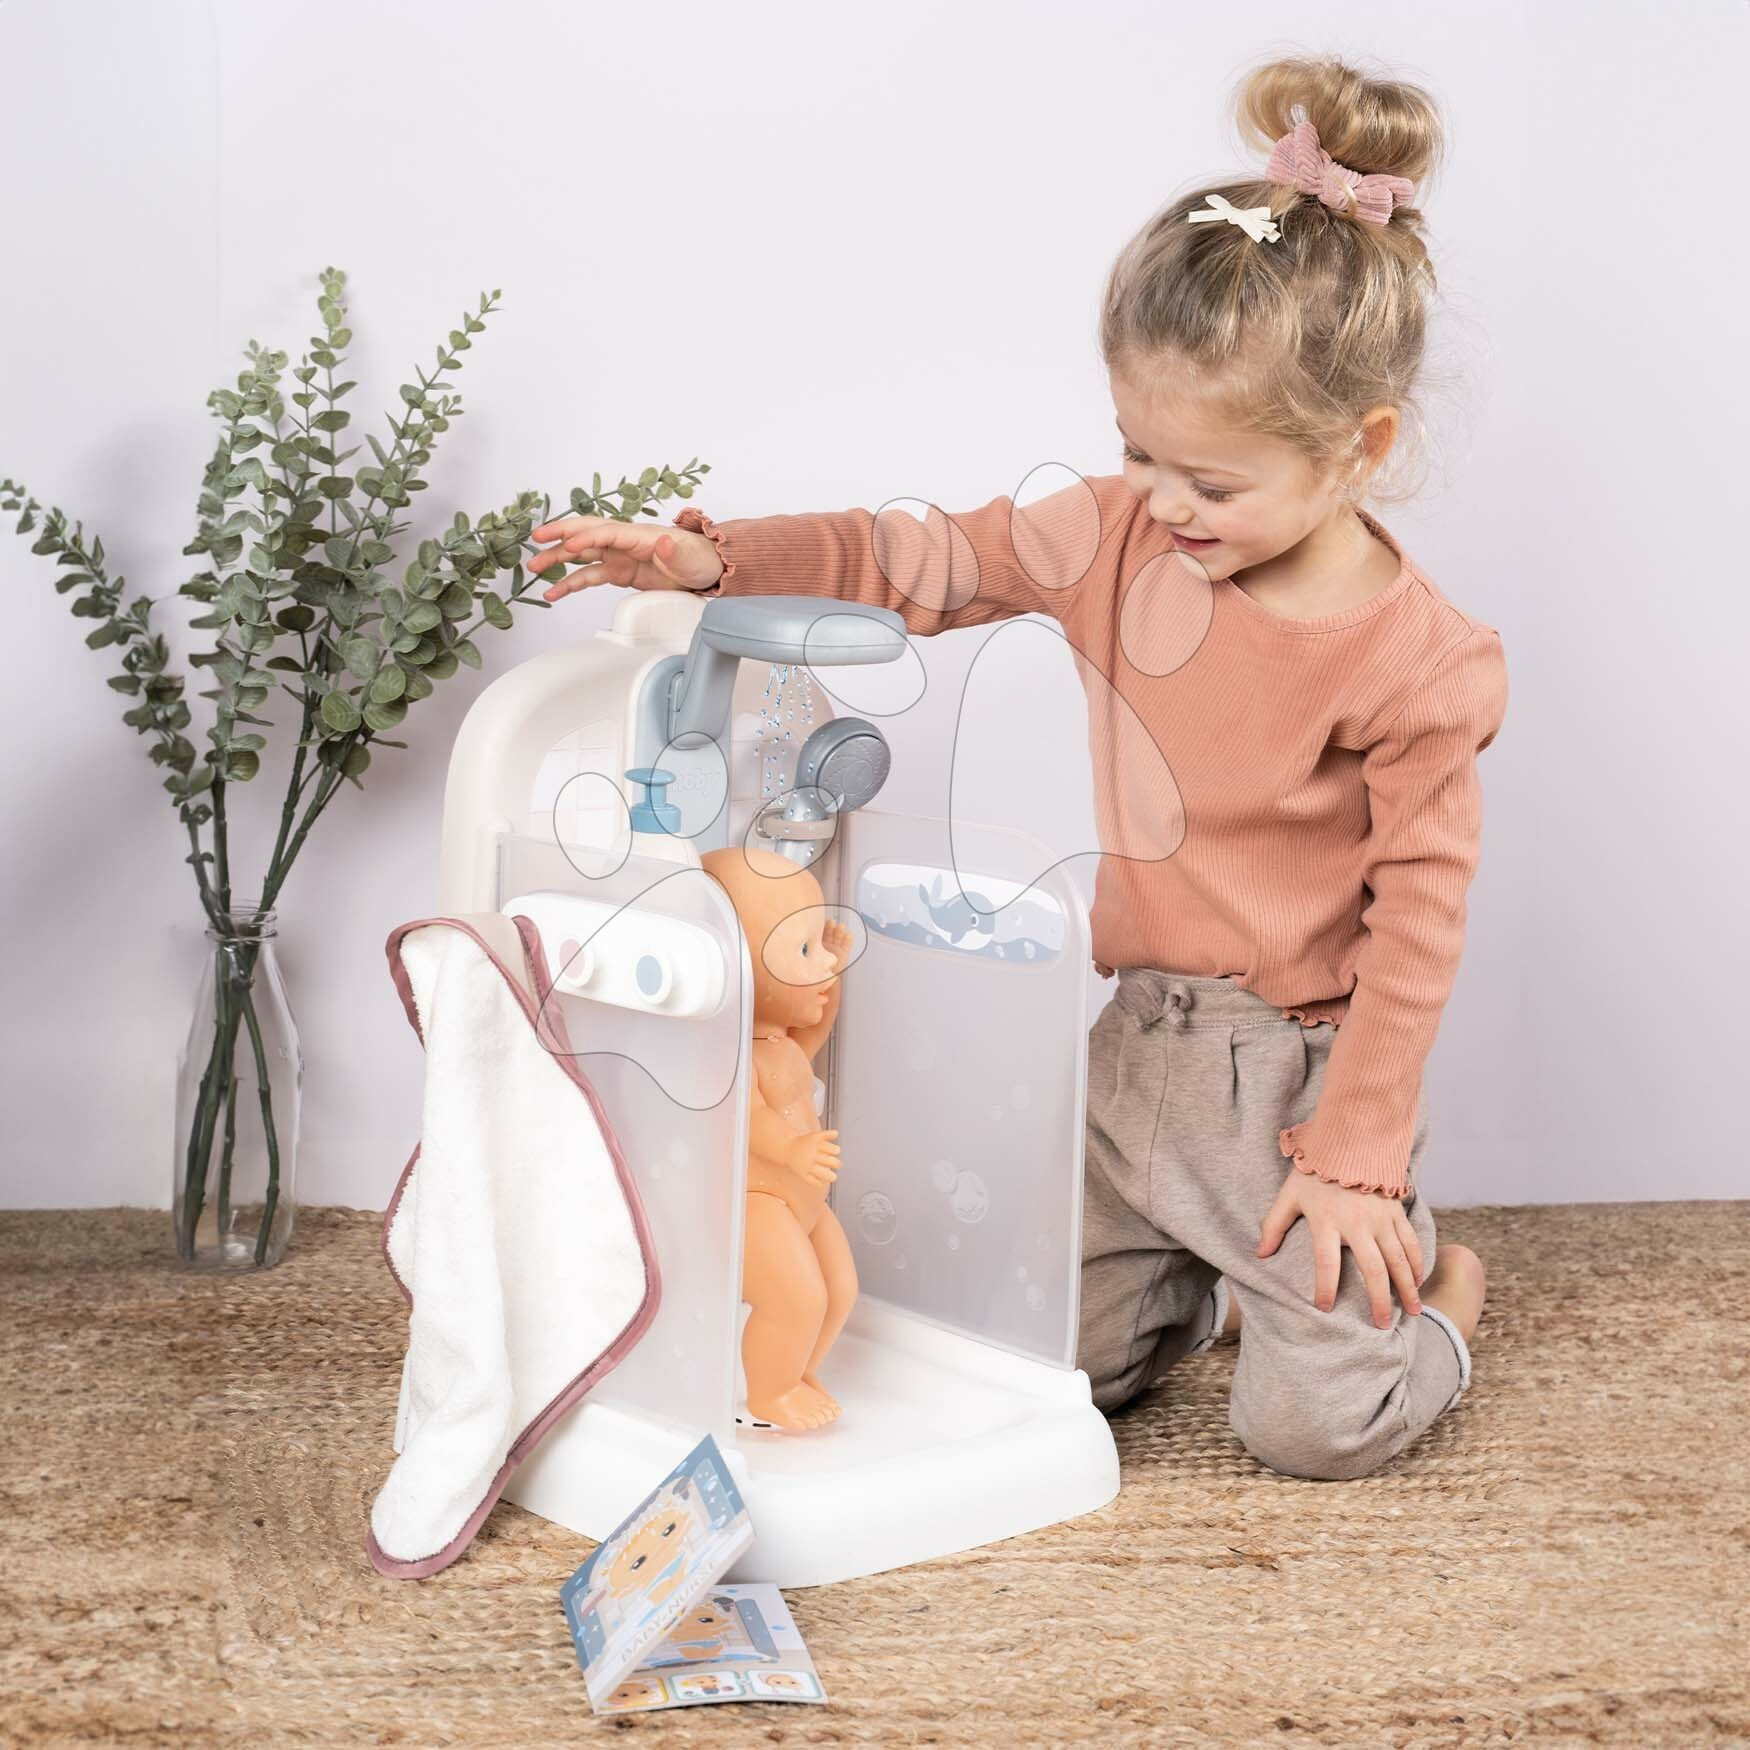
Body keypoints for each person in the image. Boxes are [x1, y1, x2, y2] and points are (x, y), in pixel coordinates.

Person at [525, 52, 1506, 1482]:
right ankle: (1196, 1283)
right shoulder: (1118, 533)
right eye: (1137, 453)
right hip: (1134, 1048)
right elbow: (920, 556)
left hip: (1289, 1088)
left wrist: (1356, 1148)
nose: (1161, 503)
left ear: (1359, 449)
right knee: (1032, 1376)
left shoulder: (1420, 662)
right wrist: (712, 558)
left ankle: (1435, 1294)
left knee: (1313, 1432)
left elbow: (1419, 925)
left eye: (1211, 483)